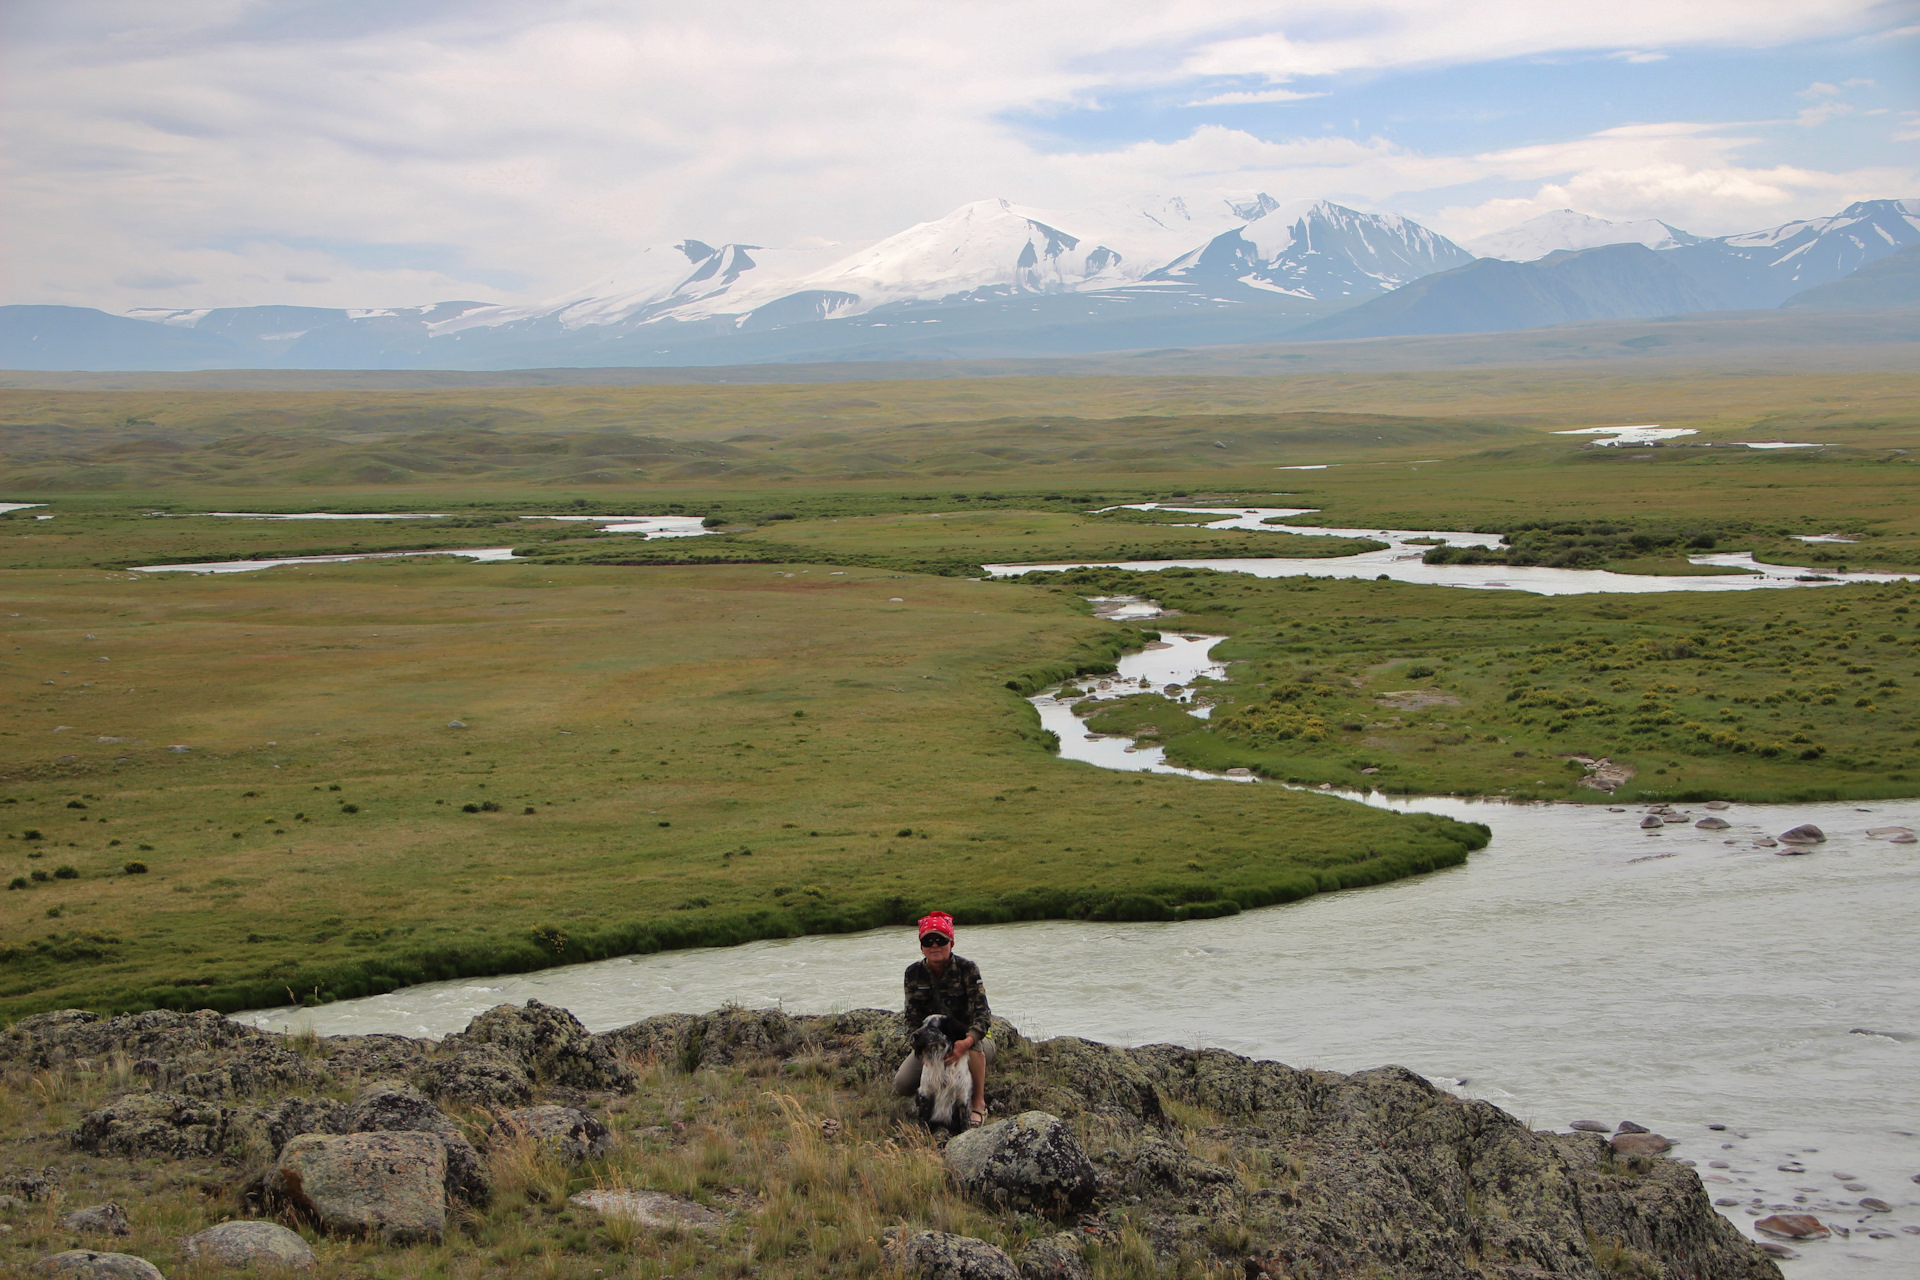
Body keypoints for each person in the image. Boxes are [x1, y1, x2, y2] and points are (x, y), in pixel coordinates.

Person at [892, 910, 992, 1127]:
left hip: (968, 1037)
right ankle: (931, 1100)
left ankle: (978, 1104)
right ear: (921, 946)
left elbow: (983, 1015)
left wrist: (965, 1042)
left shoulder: (968, 969)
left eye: (941, 939)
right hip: (932, 1042)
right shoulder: (913, 974)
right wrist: (920, 1050)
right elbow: (911, 1019)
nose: (934, 945)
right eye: (928, 940)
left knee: (972, 1052)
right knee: (903, 1084)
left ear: (951, 942)